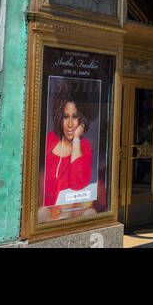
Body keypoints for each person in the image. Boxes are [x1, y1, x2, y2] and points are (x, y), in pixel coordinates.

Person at [43, 81, 94, 210]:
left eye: (75, 117)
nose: (70, 124)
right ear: (59, 118)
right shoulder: (49, 140)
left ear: (81, 120)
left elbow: (78, 185)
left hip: (65, 215)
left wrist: (76, 139)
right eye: (66, 117)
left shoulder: (84, 148)